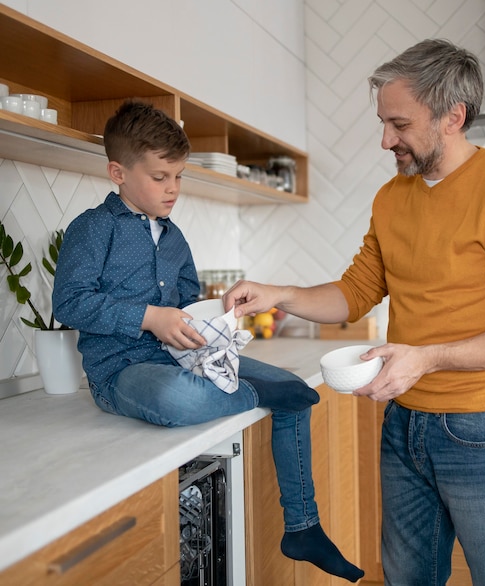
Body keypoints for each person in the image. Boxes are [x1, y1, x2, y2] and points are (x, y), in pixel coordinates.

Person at [223, 39, 485, 586]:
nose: (386, 140)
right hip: (404, 423)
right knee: (407, 577)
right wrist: (279, 293)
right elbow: (357, 291)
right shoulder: (393, 197)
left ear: (453, 116)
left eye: (399, 124)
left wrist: (427, 358)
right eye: (383, 123)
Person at [52, 100, 364, 583]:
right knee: (176, 397)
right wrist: (148, 317)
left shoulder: (175, 238)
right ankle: (259, 396)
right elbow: (70, 303)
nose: (173, 188)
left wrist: (219, 320)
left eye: (178, 176)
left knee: (296, 389)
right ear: (118, 171)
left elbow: (188, 302)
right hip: (121, 374)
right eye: (160, 177)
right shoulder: (92, 229)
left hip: (182, 360)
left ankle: (303, 525)